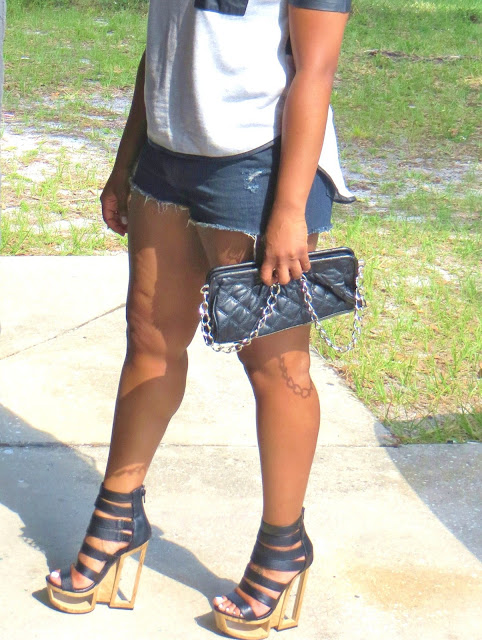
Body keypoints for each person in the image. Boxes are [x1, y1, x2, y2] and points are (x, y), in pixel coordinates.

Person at [46, 0, 353, 637]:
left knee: (275, 368)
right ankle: (118, 516)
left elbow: (316, 69)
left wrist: (290, 209)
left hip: (260, 163)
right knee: (149, 343)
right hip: (166, 153)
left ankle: (284, 545)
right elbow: (164, 46)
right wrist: (127, 157)